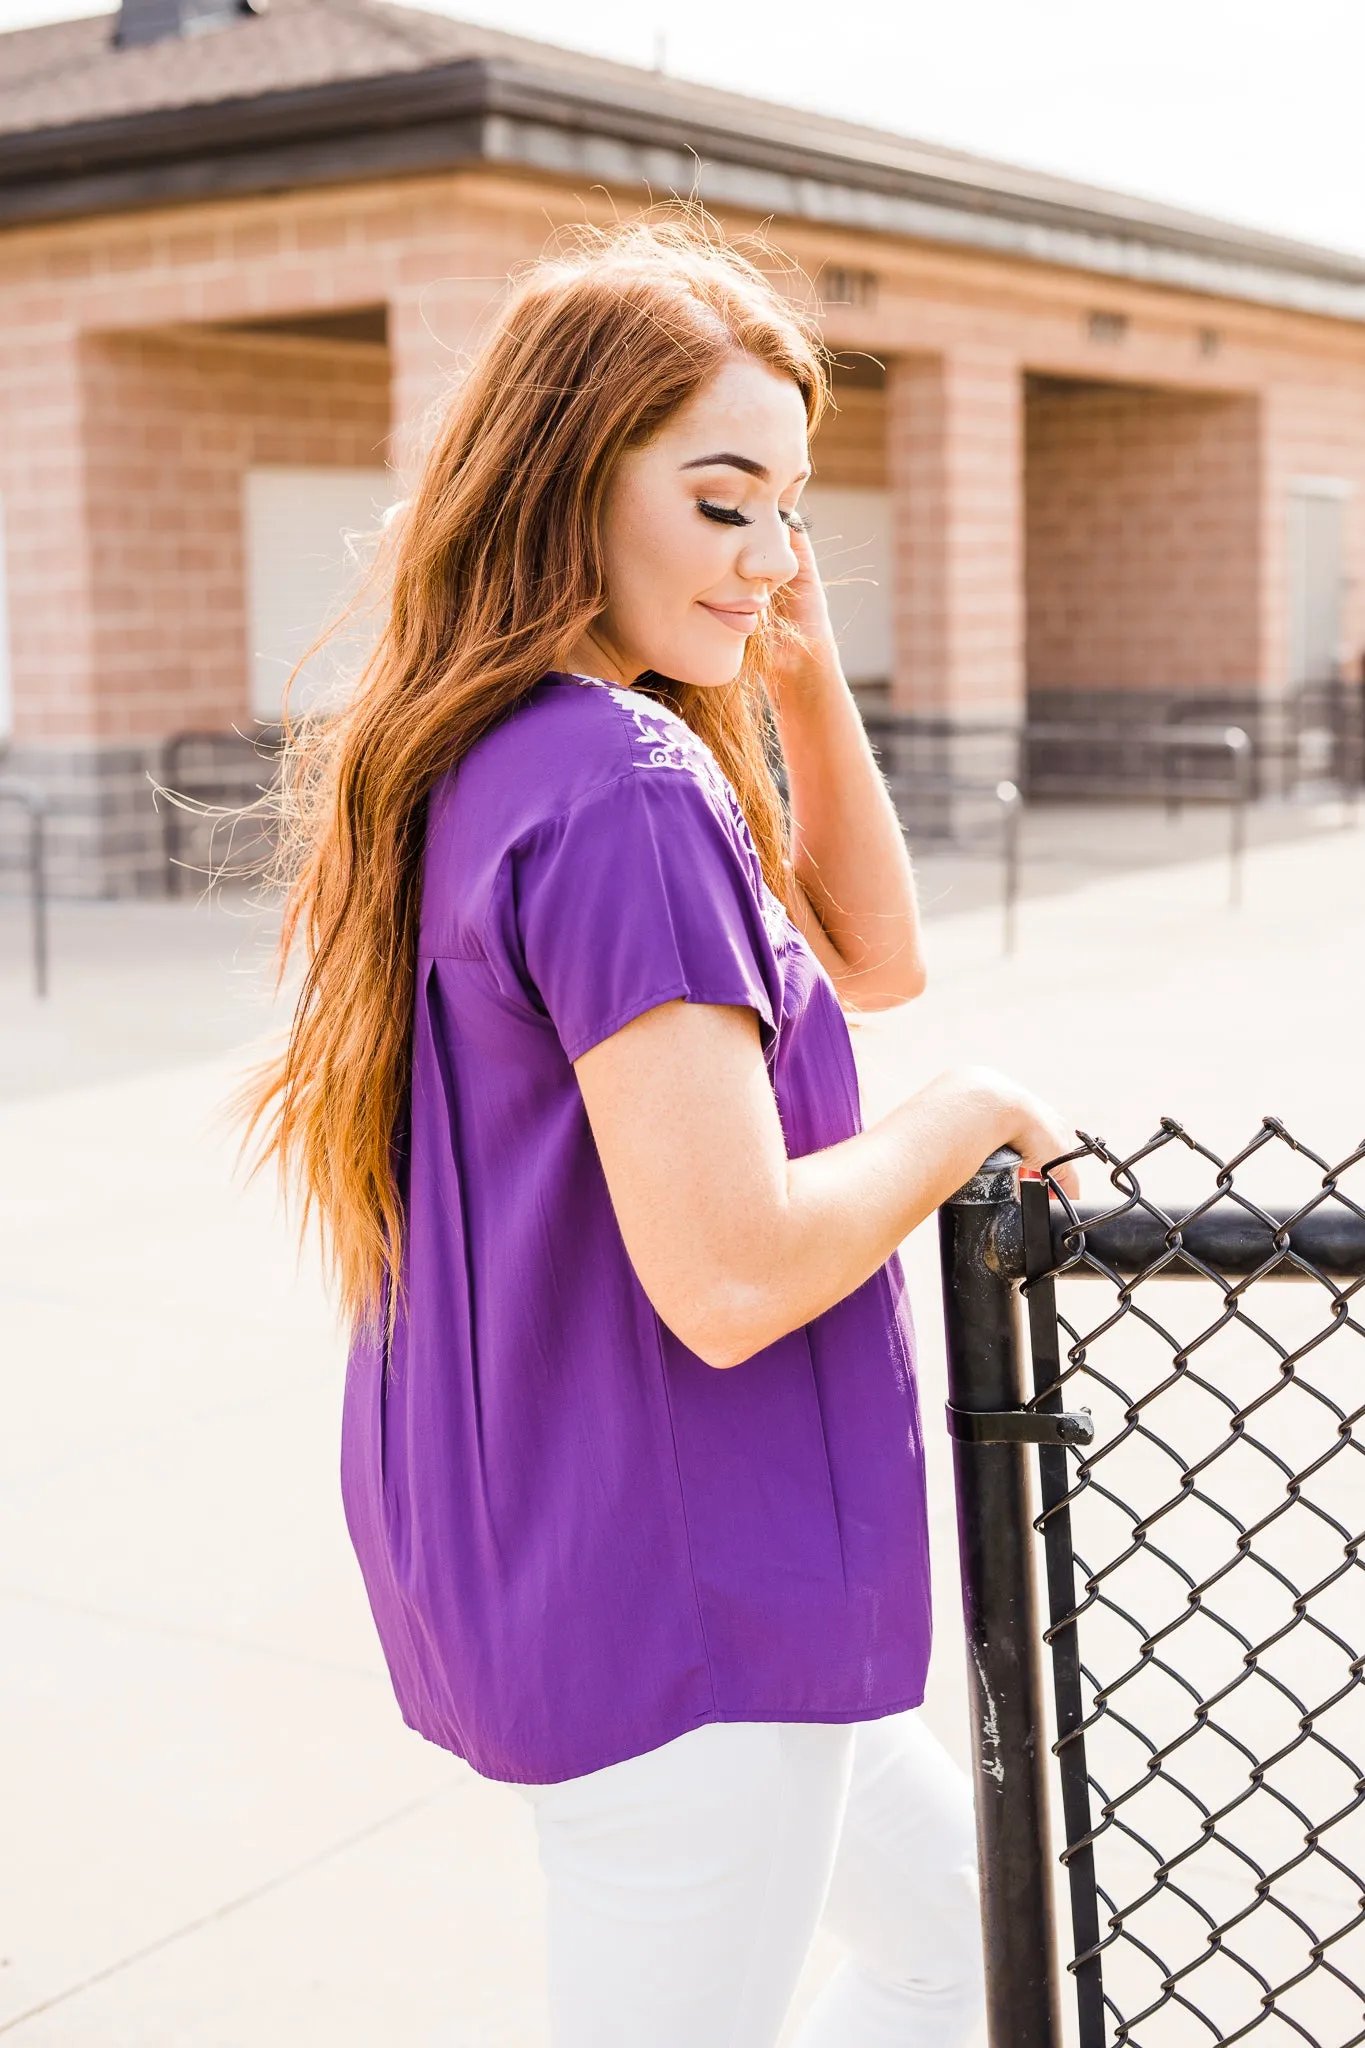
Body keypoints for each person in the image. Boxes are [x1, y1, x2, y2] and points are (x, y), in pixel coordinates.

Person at [247, 216, 1077, 2048]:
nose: (772, 551)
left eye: (793, 510)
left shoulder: (499, 747)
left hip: (627, 1549)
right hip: (689, 1589)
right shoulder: (618, 794)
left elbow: (876, 954)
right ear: (565, 484)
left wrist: (785, 662)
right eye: (721, 501)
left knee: (962, 1942)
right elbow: (727, 1271)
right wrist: (966, 1120)